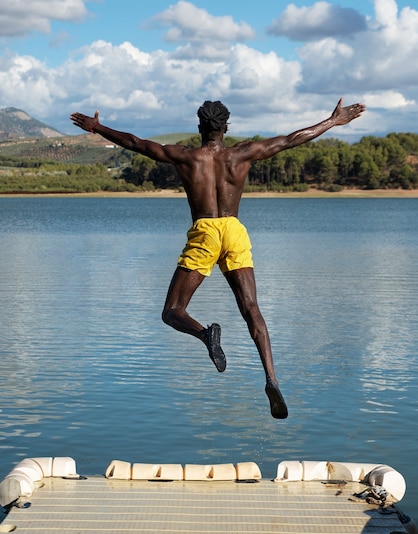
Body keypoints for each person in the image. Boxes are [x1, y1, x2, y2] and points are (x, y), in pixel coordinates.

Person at [70, 97, 365, 419]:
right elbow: (291, 139)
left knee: (173, 311)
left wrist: (97, 127)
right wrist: (332, 121)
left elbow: (136, 143)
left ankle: (204, 334)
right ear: (226, 128)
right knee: (251, 308)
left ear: (200, 128)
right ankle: (271, 378)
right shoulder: (243, 153)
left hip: (205, 232)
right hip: (235, 231)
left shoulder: (185, 157)